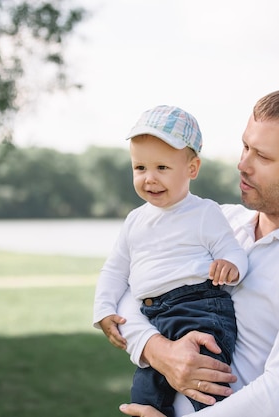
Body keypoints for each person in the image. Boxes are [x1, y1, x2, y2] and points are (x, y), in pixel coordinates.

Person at [116, 86, 279, 417]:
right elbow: (132, 291)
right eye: (245, 146)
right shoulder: (218, 222)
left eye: (262, 156)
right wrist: (157, 350)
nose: (242, 164)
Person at [92, 105, 249, 417]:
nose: (150, 178)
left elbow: (232, 251)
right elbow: (115, 269)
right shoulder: (135, 221)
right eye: (140, 168)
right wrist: (104, 309)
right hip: (155, 315)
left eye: (162, 168)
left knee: (204, 380)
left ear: (192, 168)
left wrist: (231, 268)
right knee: (145, 392)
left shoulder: (204, 213)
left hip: (199, 307)